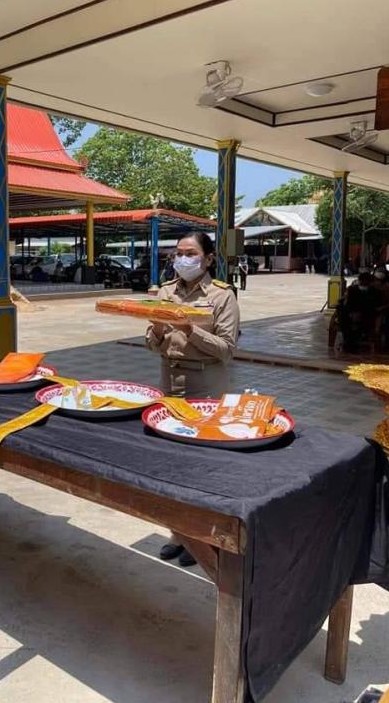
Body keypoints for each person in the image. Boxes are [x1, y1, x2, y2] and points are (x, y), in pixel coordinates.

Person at [146, 231, 240, 567]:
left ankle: (204, 540)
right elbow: (151, 342)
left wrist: (189, 329)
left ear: (209, 259)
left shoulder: (222, 296)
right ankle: (179, 534)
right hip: (169, 381)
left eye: (191, 253)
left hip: (204, 384)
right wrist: (159, 329)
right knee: (172, 462)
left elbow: (226, 349)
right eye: (178, 253)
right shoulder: (165, 292)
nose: (183, 259)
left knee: (202, 465)